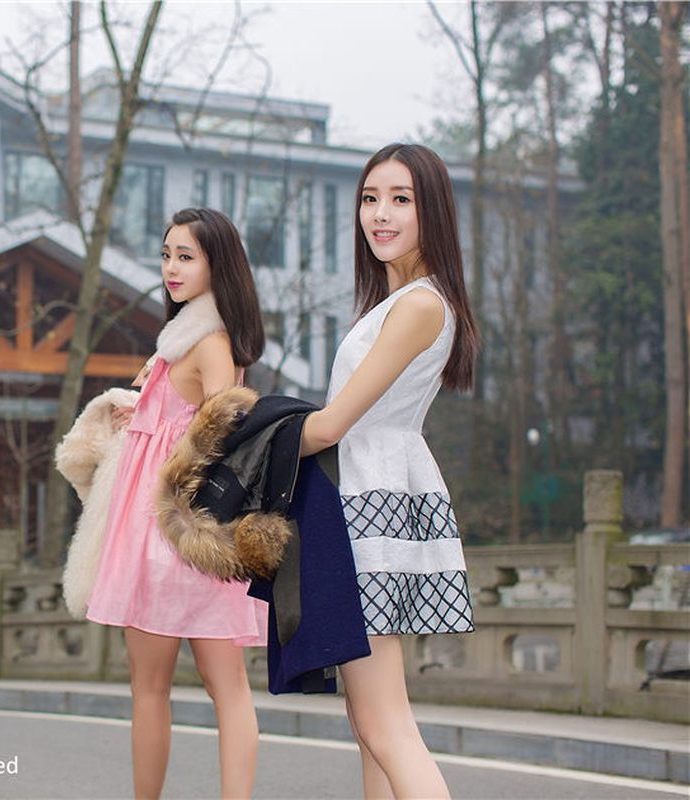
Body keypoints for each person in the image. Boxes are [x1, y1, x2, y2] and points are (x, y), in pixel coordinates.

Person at [299, 143, 480, 799]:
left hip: (368, 508)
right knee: (370, 721)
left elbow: (328, 426)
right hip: (368, 501)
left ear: (431, 209)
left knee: (384, 723)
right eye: (371, 199)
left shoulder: (420, 306)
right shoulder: (405, 300)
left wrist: (236, 438)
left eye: (400, 199)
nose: (380, 214)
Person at [86, 207, 268, 800]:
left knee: (158, 689)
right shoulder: (185, 338)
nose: (171, 267)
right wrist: (141, 413)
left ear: (218, 264)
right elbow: (192, 420)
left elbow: (225, 429)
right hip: (185, 532)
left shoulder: (207, 339)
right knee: (221, 688)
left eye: (185, 256)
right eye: (166, 254)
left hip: (173, 531)